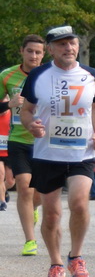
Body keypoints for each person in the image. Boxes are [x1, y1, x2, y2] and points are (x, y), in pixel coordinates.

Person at [18, 26, 95, 277]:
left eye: (72, 43)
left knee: (79, 203)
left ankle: (76, 257)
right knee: (51, 214)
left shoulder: (90, 74)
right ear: (51, 49)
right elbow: (26, 110)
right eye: (62, 44)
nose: (68, 48)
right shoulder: (38, 75)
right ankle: (55, 263)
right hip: (48, 154)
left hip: (82, 152)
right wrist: (31, 125)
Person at [2, 34, 46, 254]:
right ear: (22, 51)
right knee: (23, 186)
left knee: (39, 194)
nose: (33, 56)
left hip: (45, 141)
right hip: (18, 139)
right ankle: (30, 241)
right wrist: (8, 105)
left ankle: (33, 208)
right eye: (30, 51)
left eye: (38, 52)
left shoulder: (50, 75)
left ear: (44, 54)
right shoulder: (7, 76)